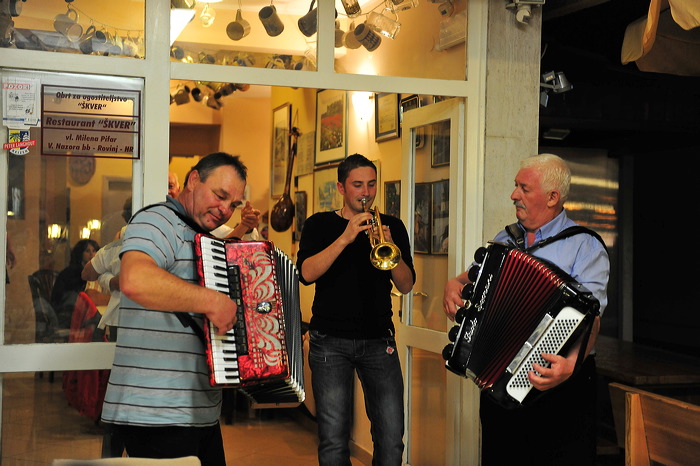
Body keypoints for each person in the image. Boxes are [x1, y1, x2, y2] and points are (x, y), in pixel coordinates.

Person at [442, 153, 610, 466]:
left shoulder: (585, 245)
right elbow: (475, 278)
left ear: (552, 197)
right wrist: (453, 283)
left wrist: (570, 366)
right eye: (515, 186)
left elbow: (593, 318)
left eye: (524, 188)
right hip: (499, 387)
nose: (514, 195)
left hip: (559, 385)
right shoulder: (506, 240)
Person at [100, 152, 248, 465]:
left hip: (198, 411)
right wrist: (211, 301)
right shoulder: (156, 220)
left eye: (233, 204)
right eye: (220, 196)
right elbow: (134, 279)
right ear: (193, 179)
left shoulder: (204, 238)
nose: (225, 210)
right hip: (154, 412)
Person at [297, 154, 416, 466]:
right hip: (329, 342)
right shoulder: (319, 224)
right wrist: (346, 237)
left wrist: (394, 249)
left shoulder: (392, 226)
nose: (366, 192)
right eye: (358, 185)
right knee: (334, 439)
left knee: (391, 438)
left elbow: (406, 284)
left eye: (372, 184)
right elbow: (306, 273)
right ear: (341, 187)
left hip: (379, 340)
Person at [50, 239, 100, 328]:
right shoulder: (73, 273)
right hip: (68, 314)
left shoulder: (98, 272)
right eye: (87, 251)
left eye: (94, 250)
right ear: (80, 253)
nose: (92, 254)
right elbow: (88, 296)